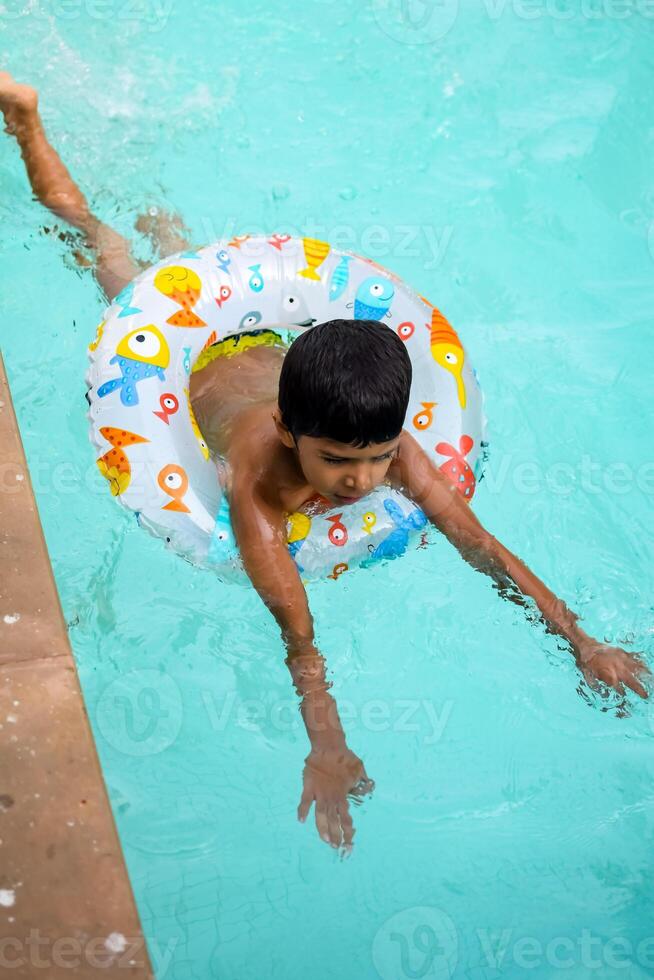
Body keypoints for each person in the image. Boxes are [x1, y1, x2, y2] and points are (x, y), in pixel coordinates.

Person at [2, 72, 650, 853]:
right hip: (188, 357)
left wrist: (579, 639)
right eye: (340, 462)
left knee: (177, 250)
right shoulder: (259, 489)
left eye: (377, 460)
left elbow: (479, 544)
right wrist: (327, 742)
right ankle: (27, 119)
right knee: (100, 249)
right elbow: (300, 642)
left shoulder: (384, 445)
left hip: (249, 326)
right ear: (287, 432)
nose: (363, 483)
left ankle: (168, 225)